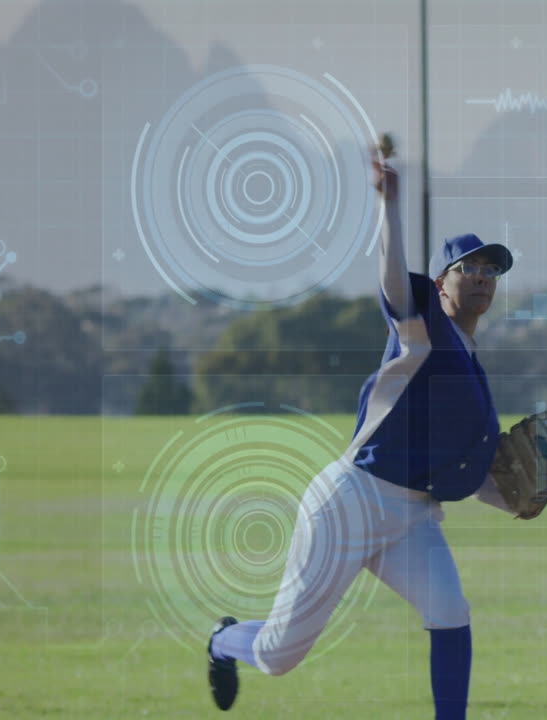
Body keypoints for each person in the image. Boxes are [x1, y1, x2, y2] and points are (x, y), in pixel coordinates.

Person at [206, 149, 517, 719]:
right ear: (442, 283)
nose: (479, 277)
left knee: (450, 611)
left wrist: (515, 501)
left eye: (489, 270)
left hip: (411, 516)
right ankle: (222, 641)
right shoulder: (420, 326)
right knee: (278, 655)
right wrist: (389, 205)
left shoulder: (475, 376)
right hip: (349, 501)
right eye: (466, 268)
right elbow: (393, 277)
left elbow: (462, 472)